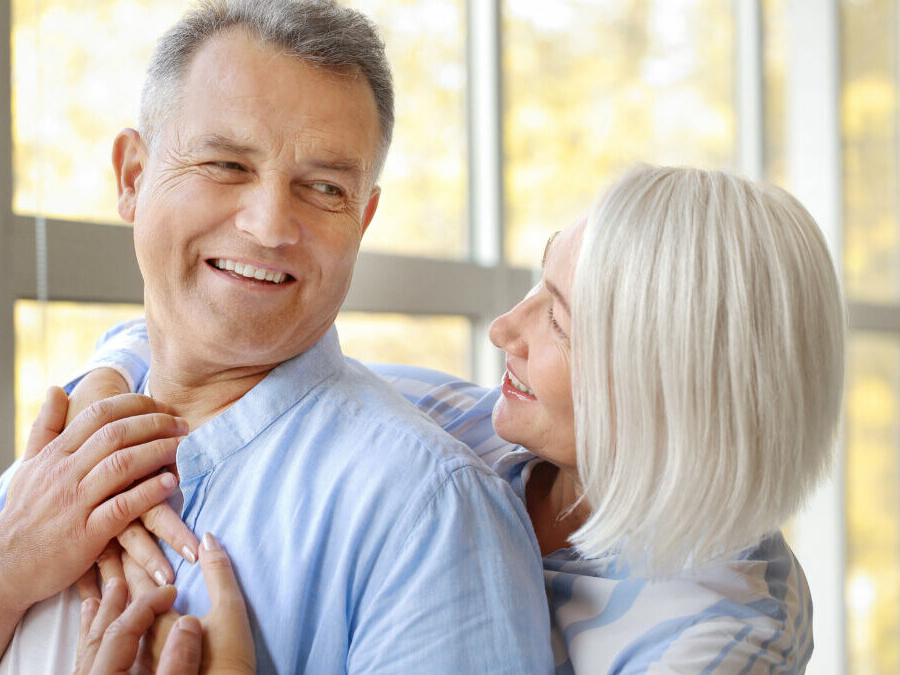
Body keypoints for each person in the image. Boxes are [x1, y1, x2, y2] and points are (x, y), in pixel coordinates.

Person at [0, 1, 552, 673]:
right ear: (132, 177)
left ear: (364, 218)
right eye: (226, 165)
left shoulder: (430, 514)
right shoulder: (64, 456)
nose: (269, 225)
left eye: (322, 187)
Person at [76, 164, 843, 672]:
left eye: (561, 324)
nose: (506, 328)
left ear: (672, 389)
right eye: (537, 285)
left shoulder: (723, 635)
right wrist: (105, 383)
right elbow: (217, 342)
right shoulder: (447, 423)